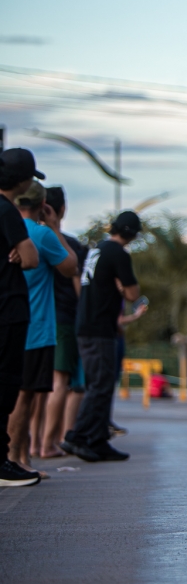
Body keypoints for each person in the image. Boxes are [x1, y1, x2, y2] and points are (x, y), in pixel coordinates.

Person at [62, 210, 142, 462]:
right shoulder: (118, 253)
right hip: (99, 329)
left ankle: (97, 439)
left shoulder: (97, 250)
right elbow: (133, 294)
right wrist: (123, 288)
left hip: (86, 324)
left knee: (100, 384)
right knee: (100, 385)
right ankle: (78, 436)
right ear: (132, 234)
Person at [7, 182, 75, 473]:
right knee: (25, 398)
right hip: (36, 328)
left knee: (18, 396)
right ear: (43, 204)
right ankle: (14, 459)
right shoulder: (41, 234)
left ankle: (23, 457)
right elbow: (70, 266)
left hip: (12, 322)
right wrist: (55, 227)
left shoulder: (8, 229)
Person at [0, 149, 42, 487]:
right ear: (24, 180)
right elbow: (30, 259)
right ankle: (3, 463)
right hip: (8, 309)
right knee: (6, 384)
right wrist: (21, 251)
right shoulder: (7, 211)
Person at [39, 186, 87, 458]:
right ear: (62, 209)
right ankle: (50, 442)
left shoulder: (29, 238)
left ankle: (37, 441)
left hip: (38, 317)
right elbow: (77, 281)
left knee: (37, 385)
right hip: (64, 318)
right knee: (61, 382)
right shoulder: (70, 245)